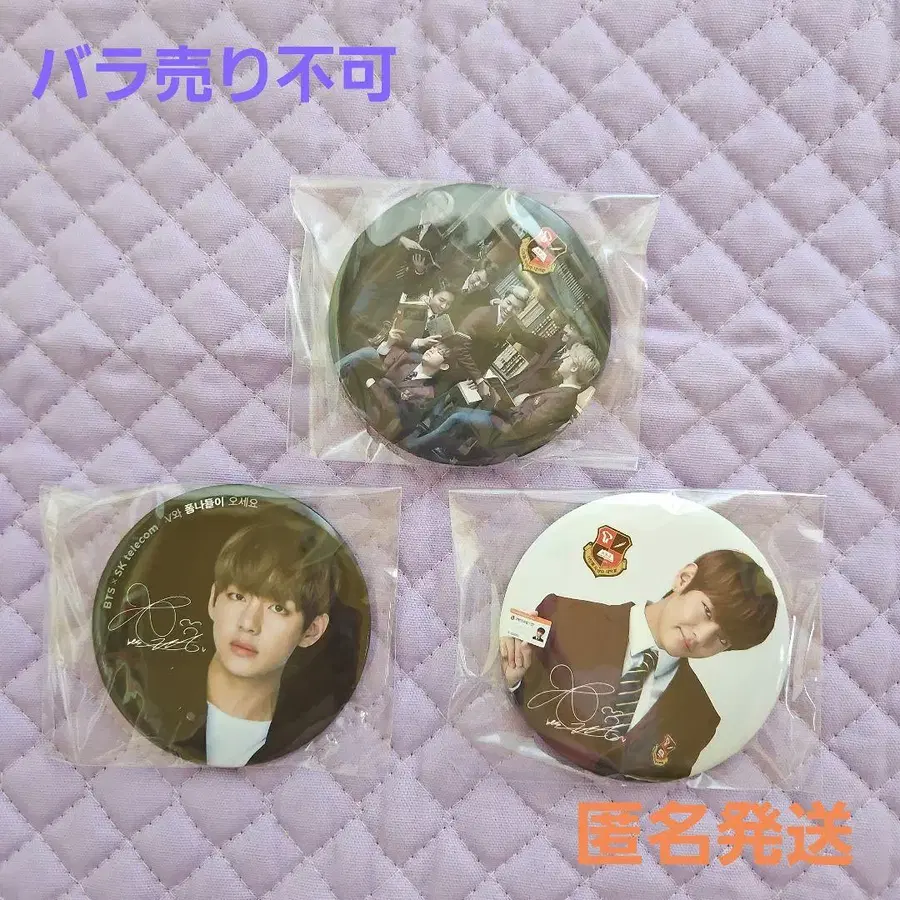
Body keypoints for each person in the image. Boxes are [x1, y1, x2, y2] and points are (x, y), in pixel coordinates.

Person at [499, 550, 778, 781]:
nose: (701, 637)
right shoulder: (562, 617)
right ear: (684, 579)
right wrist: (513, 681)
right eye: (707, 611)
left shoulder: (700, 720)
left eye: (722, 639)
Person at [178, 519, 337, 766]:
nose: (248, 623)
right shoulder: (148, 702)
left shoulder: (310, 737)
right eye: (237, 596)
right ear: (213, 600)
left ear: (311, 631)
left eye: (278, 608)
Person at [402, 343, 601, 460]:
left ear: (574, 368)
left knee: (458, 416)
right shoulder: (563, 392)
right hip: (505, 421)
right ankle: (440, 446)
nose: (563, 359)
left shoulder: (564, 399)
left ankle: (416, 445)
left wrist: (500, 406)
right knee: (460, 411)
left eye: (567, 358)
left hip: (503, 431)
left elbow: (523, 428)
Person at [453, 284, 551, 396]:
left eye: (516, 308)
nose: (509, 310)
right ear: (502, 299)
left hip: (470, 379)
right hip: (453, 367)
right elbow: (458, 347)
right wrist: (478, 379)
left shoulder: (511, 325)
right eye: (508, 303)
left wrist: (477, 378)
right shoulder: (481, 313)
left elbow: (524, 338)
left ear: (521, 311)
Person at [339, 289, 456, 381]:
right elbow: (394, 332)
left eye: (448, 304)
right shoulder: (413, 307)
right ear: (431, 293)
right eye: (441, 300)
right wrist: (420, 342)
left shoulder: (441, 323)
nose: (443, 306)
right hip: (386, 349)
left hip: (406, 364)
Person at [364, 339, 454, 440]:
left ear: (444, 366)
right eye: (434, 347)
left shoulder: (427, 392)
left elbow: (395, 412)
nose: (432, 350)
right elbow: (378, 366)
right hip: (364, 399)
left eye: (439, 352)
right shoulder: (406, 359)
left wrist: (372, 386)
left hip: (378, 424)